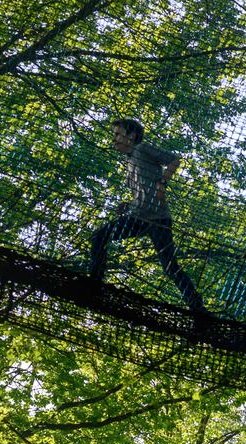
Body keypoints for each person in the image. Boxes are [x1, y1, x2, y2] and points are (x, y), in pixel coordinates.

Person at [87, 117, 205, 312]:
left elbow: (174, 160)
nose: (114, 139)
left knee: (168, 265)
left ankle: (197, 307)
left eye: (117, 134)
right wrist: (129, 203)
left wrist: (162, 183)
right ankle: (95, 284)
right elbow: (143, 191)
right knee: (101, 236)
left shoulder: (142, 150)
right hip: (140, 217)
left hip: (156, 218)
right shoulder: (129, 161)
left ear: (131, 136)